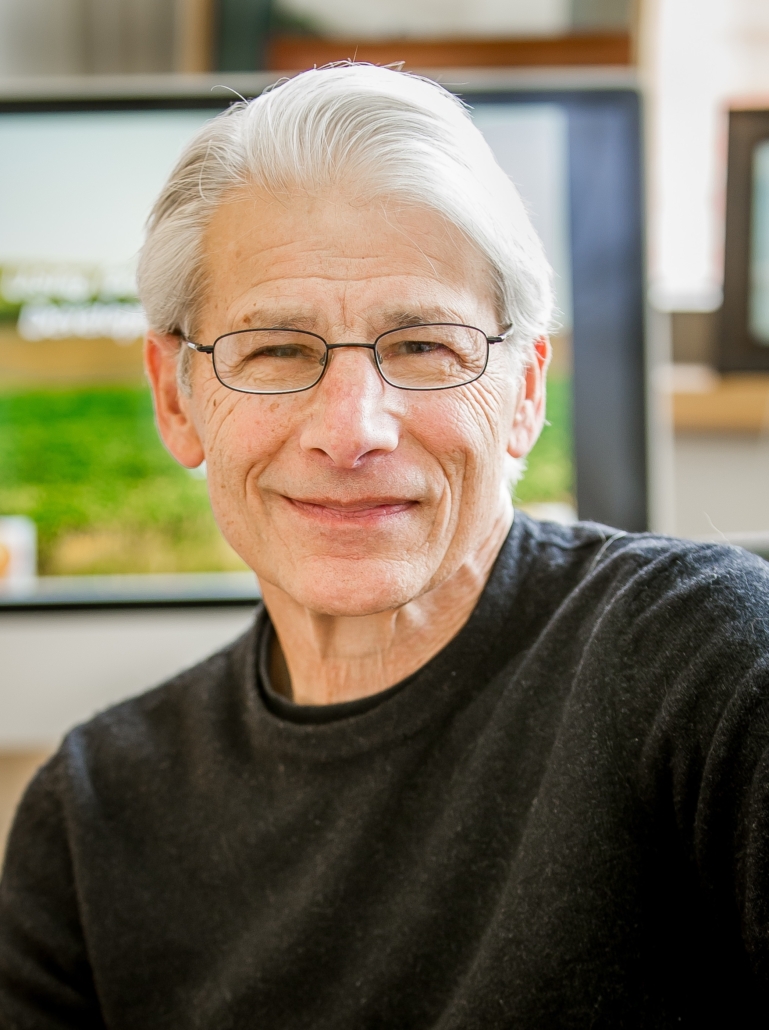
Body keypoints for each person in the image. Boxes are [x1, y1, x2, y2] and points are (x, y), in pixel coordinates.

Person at [1, 64, 768, 1030]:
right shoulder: (90, 814)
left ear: (525, 393)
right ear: (174, 397)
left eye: (423, 346)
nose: (352, 428)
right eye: (275, 349)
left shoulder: (712, 670)